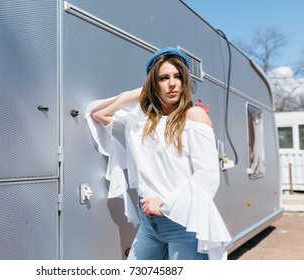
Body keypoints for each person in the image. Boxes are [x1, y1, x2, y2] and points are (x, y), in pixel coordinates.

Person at [85, 47, 231, 260]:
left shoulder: (194, 116)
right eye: (163, 78)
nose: (172, 84)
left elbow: (207, 176)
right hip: (149, 225)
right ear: (154, 84)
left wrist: (165, 208)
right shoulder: (142, 122)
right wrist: (142, 91)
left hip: (183, 224)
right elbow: (98, 113)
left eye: (178, 76)